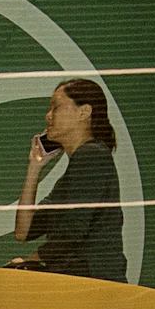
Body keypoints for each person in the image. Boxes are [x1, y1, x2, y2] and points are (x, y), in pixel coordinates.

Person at [12, 76, 127, 284]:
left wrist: (30, 262)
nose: (48, 116)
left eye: (56, 107)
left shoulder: (92, 156)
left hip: (93, 285)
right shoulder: (71, 175)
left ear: (84, 112)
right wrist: (34, 168)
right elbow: (23, 231)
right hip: (78, 282)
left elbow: (73, 229)